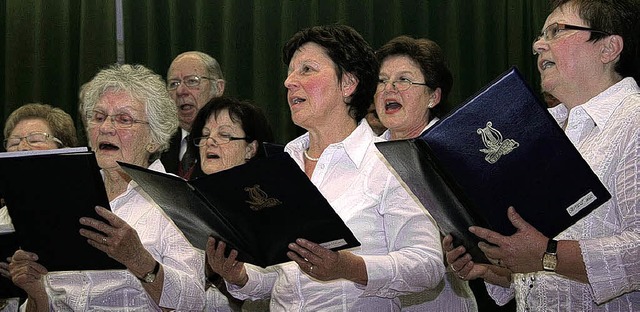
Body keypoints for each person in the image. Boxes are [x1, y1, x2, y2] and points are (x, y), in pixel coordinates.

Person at [206, 24, 445, 311]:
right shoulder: (282, 165)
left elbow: (428, 265)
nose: (289, 82)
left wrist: (351, 267)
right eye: (290, 72)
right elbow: (283, 278)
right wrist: (240, 275)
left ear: (348, 84)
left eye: (307, 69)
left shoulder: (387, 165)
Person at [444, 0, 640, 311]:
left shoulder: (634, 121)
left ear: (608, 48)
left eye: (556, 31)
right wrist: (494, 265)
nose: (537, 45)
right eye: (541, 35)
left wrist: (547, 255)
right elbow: (551, 274)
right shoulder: (548, 132)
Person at [8, 64, 206, 311]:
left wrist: (140, 261)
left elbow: (194, 302)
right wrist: (35, 289)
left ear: (154, 138)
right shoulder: (62, 196)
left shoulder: (178, 199)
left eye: (124, 119)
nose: (106, 128)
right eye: (99, 117)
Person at [374, 36, 478, 311]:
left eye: (404, 80)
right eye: (382, 80)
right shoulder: (362, 155)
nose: (389, 88)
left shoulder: (456, 154)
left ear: (433, 96)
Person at [189, 95, 274, 311]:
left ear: (250, 149)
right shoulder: (185, 199)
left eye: (224, 135)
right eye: (205, 135)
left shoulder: (266, 206)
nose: (210, 141)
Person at [0, 103, 79, 306]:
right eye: (14, 142)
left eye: (35, 140)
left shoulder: (80, 212)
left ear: (66, 151)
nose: (23, 148)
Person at [162, 51, 226, 179]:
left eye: (192, 81)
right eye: (174, 84)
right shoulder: (159, 144)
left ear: (218, 88)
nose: (180, 91)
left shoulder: (234, 142)